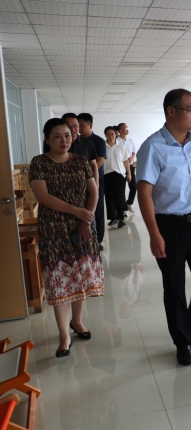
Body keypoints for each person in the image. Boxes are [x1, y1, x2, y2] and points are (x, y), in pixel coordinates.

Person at [137, 88, 191, 366]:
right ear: (171, 111)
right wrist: (154, 234)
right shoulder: (153, 147)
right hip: (170, 226)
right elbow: (144, 192)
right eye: (190, 109)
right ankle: (183, 341)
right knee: (174, 287)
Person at [29, 118, 104, 358]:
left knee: (80, 276)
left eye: (68, 135)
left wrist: (85, 220)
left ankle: (77, 321)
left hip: (82, 228)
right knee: (59, 280)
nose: (64, 140)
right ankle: (64, 335)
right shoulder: (39, 163)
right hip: (54, 230)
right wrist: (77, 211)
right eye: (57, 136)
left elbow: (93, 192)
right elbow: (43, 197)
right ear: (46, 139)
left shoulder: (80, 161)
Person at [78, 113, 107, 249]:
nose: (79, 128)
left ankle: (98, 240)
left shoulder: (99, 141)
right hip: (80, 182)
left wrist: (88, 175)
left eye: (82, 125)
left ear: (90, 125)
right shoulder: (76, 142)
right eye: (77, 125)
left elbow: (99, 162)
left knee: (97, 209)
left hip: (96, 180)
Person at [103, 126, 130, 229]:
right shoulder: (103, 146)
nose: (110, 136)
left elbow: (125, 160)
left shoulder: (121, 146)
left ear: (116, 134)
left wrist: (129, 173)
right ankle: (112, 218)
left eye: (112, 134)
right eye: (108, 134)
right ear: (105, 135)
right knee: (109, 197)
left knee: (120, 197)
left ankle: (120, 218)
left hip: (119, 174)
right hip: (107, 174)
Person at [118, 123, 137, 212]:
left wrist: (132, 158)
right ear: (120, 130)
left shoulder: (130, 140)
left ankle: (129, 203)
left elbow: (134, 152)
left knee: (134, 187)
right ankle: (123, 208)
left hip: (130, 166)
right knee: (121, 189)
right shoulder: (117, 141)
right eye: (126, 128)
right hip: (120, 167)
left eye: (128, 128)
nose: (127, 129)